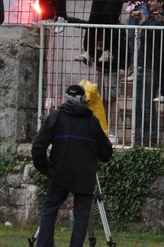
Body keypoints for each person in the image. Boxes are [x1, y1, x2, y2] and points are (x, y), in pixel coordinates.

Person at [32, 84, 113, 247]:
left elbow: (38, 147)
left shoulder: (56, 117)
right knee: (82, 215)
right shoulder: (92, 122)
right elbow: (106, 154)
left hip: (60, 172)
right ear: (84, 100)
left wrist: (47, 170)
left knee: (49, 210)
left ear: (66, 99)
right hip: (85, 176)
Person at [132, 0, 164, 146]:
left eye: (153, 0)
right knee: (139, 104)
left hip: (150, 66)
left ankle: (149, 138)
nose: (149, 3)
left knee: (146, 104)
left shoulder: (162, 20)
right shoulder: (150, 19)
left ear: (160, 4)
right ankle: (139, 136)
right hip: (142, 65)